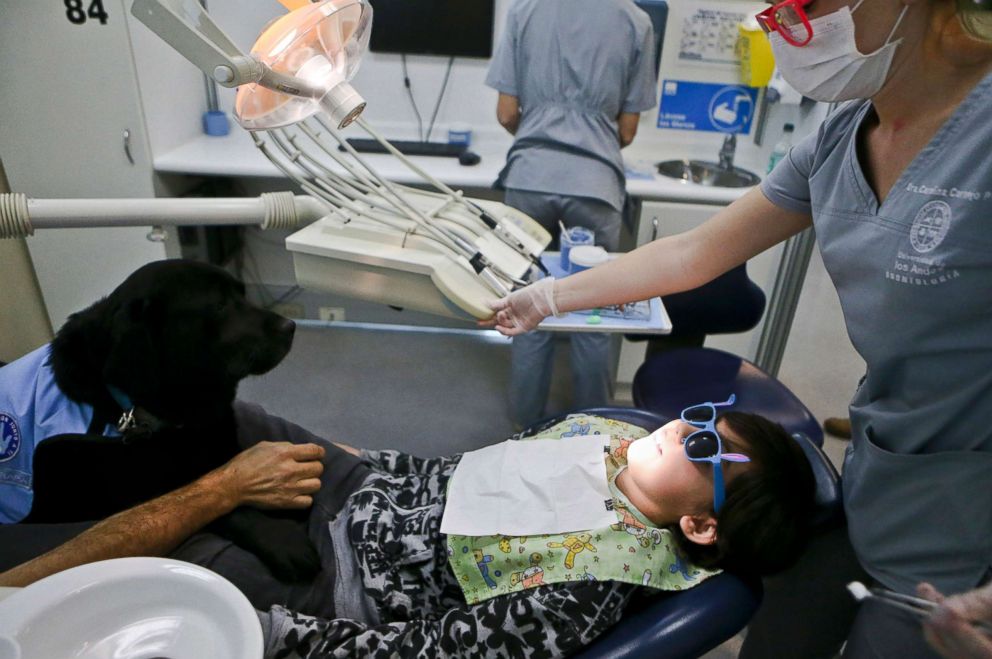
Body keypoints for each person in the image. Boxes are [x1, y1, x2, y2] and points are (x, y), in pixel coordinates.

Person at [486, 0, 992, 656]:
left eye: (808, 5)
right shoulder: (842, 134)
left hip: (965, 527)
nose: (783, 24)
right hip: (881, 468)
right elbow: (692, 254)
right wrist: (550, 296)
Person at [1, 404, 816, 658]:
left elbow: (425, 653)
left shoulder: (591, 581)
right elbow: (467, 475)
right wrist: (353, 460)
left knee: (127, 573)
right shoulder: (600, 432)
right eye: (704, 416)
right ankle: (58, 500)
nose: (685, 425)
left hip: (324, 580)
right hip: (362, 486)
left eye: (707, 447)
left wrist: (273, 634)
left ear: (701, 524)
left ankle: (17, 580)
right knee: (194, 418)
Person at [484, 0, 658, 428]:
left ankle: (524, 427)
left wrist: (541, 133)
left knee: (525, 302)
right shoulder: (636, 21)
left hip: (530, 177)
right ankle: (592, 431)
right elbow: (628, 130)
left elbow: (507, 113)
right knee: (594, 312)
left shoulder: (526, 10)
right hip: (594, 185)